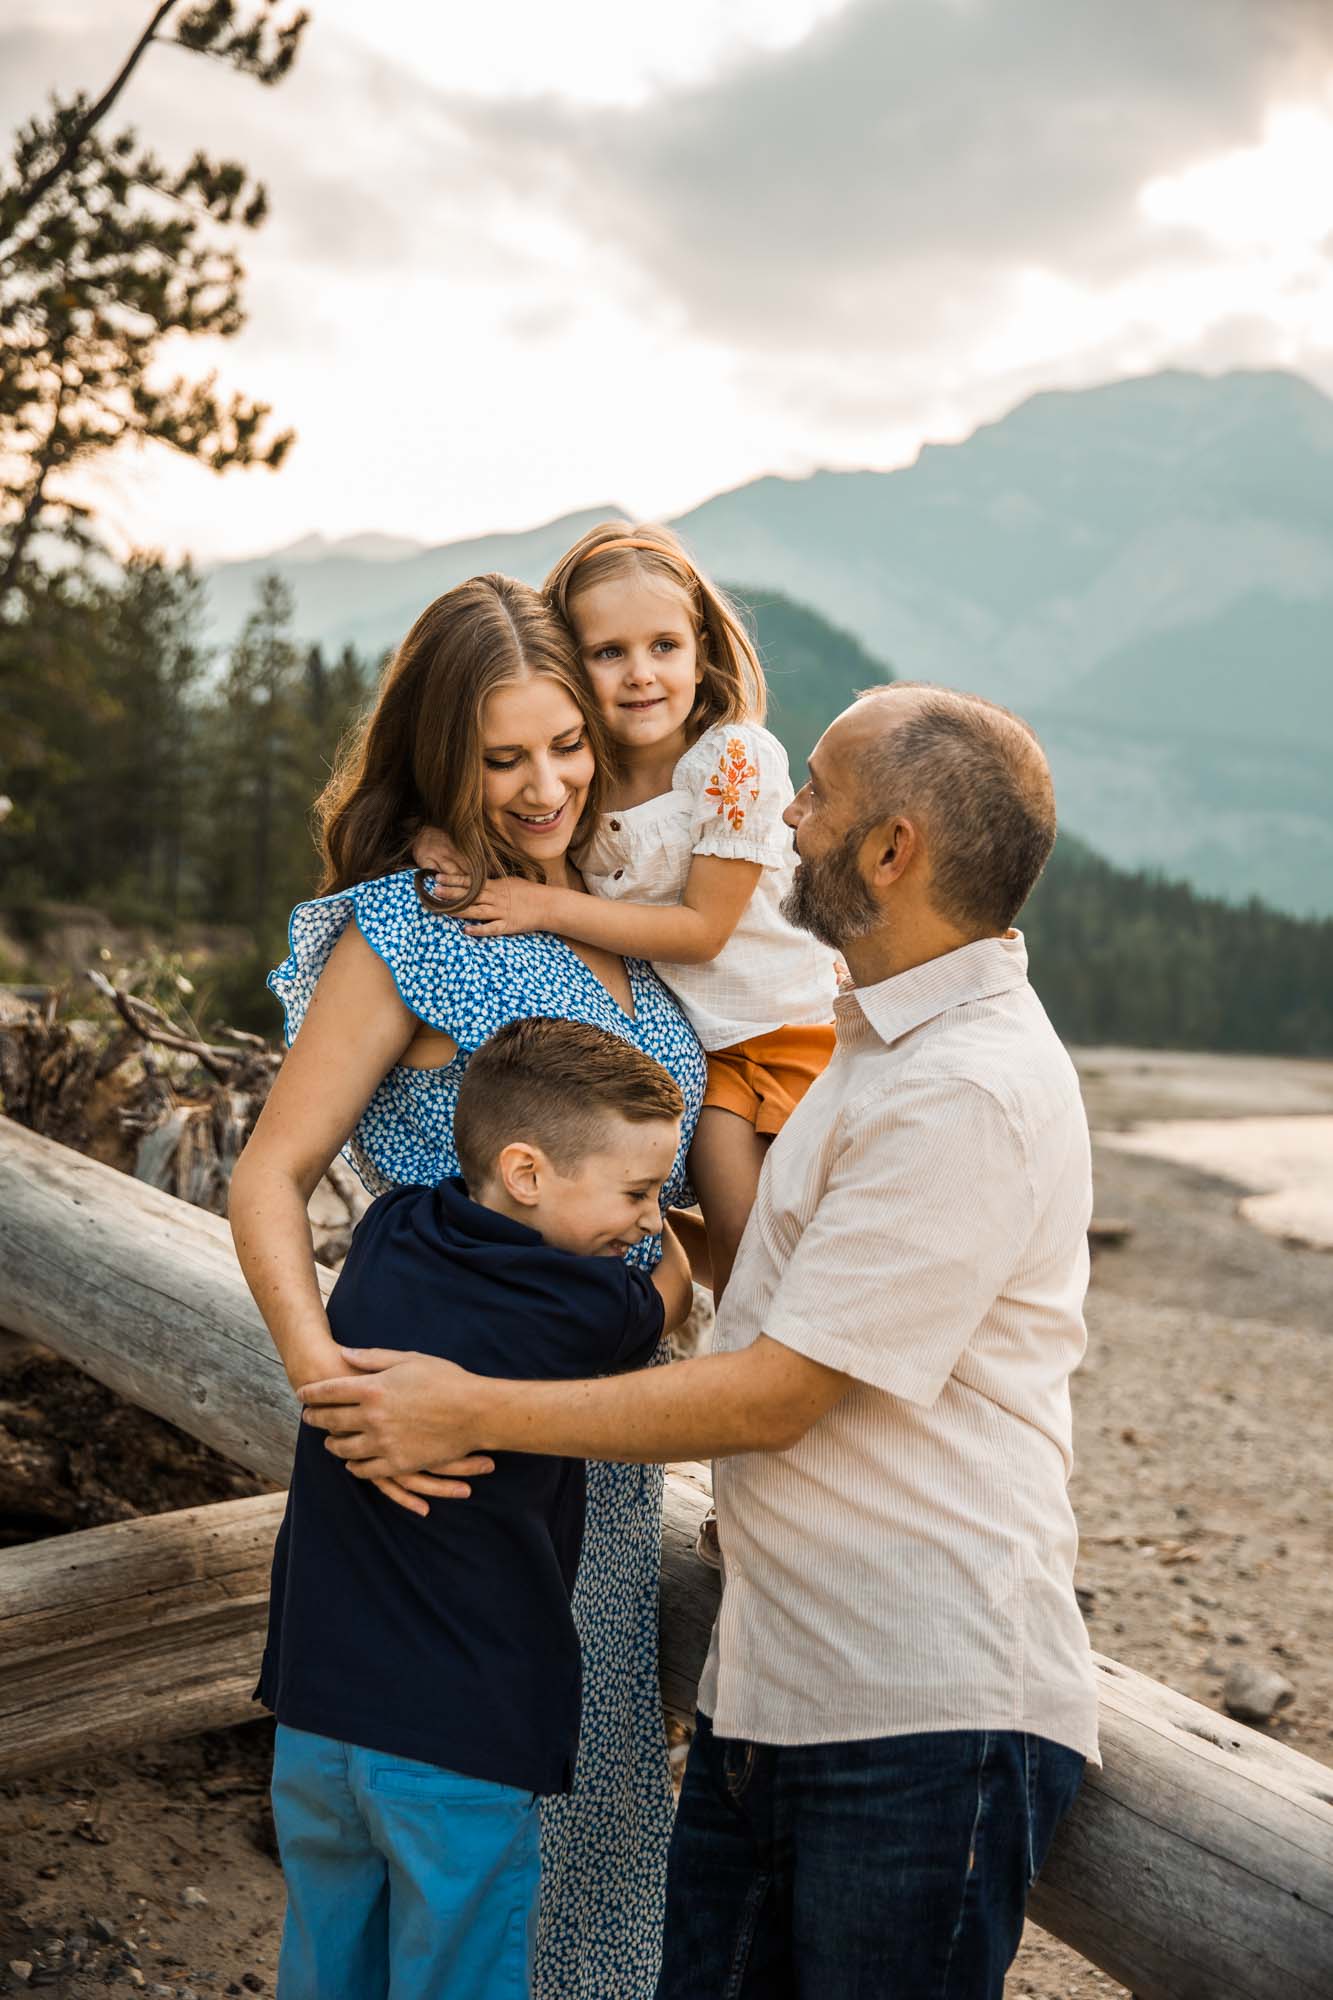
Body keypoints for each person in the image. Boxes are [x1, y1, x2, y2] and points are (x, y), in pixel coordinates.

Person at [299, 681, 1102, 1999]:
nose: (781, 814)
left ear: (892, 851)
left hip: (920, 1705)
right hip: (782, 1685)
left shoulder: (967, 1085)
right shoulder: (872, 1042)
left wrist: (471, 1405)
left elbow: (780, 1391)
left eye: (819, 794)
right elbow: (746, 1274)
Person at [228, 573, 707, 2000]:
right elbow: (271, 1177)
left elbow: (656, 1190)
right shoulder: (408, 928)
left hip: (599, 1481)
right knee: (436, 1878)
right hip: (437, 1464)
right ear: (444, 757)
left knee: (576, 1870)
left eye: (566, 744)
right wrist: (332, 1384)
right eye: (504, 758)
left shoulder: (621, 916)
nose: (548, 782)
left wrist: (674, 1271)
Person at [260, 1019, 692, 2000]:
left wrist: (627, 1205)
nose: (644, 1214)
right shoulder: (575, 1306)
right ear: (529, 1172)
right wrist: (667, 1246)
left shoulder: (390, 1227)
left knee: (327, 1964)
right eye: (634, 1191)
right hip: (459, 1729)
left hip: (317, 1707)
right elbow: (667, 1293)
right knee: (455, 1973)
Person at [418, 521, 839, 1303]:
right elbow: (509, 805)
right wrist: (439, 834)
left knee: (797, 1247)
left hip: (786, 1031)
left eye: (663, 647)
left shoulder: (729, 760)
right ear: (567, 665)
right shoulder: (583, 770)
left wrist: (540, 906)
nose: (640, 674)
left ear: (702, 649)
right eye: (608, 652)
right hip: (708, 1055)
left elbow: (700, 932)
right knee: (742, 1261)